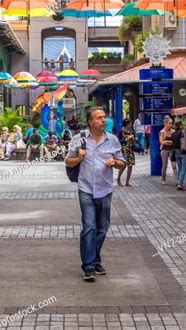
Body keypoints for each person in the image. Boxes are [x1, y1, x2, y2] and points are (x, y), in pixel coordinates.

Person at [66, 107, 125, 282]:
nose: (103, 120)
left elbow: (122, 162)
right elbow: (68, 161)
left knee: (102, 227)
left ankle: (95, 258)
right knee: (89, 226)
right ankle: (89, 266)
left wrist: (114, 162)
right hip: (86, 189)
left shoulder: (112, 140)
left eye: (104, 117)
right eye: (99, 118)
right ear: (90, 122)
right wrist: (78, 158)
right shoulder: (79, 139)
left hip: (105, 189)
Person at [171, 120, 186, 191]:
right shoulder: (183, 132)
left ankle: (179, 182)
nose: (183, 125)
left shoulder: (173, 133)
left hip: (176, 152)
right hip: (184, 152)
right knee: (184, 169)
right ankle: (180, 184)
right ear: (180, 125)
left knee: (180, 168)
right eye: (182, 124)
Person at [117, 119, 136, 187]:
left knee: (130, 165)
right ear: (127, 124)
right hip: (124, 150)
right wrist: (126, 139)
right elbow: (118, 141)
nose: (131, 125)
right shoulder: (121, 132)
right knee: (123, 165)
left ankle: (127, 182)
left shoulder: (132, 131)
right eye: (130, 123)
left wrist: (133, 138)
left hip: (131, 149)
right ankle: (118, 179)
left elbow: (135, 138)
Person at [159, 116, 177, 185]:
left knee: (174, 165)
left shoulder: (173, 131)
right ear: (165, 123)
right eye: (170, 123)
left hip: (172, 150)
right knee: (165, 165)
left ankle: (177, 180)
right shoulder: (162, 132)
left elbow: (175, 141)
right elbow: (162, 142)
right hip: (164, 150)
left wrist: (167, 141)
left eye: (172, 123)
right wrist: (170, 142)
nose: (171, 125)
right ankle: (163, 179)